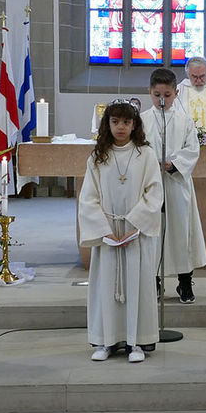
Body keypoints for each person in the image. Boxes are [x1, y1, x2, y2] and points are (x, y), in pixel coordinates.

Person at [78, 99, 164, 363]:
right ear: (108, 124)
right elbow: (88, 197)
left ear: (134, 124)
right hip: (108, 234)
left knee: (138, 286)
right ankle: (106, 341)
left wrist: (134, 225)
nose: (121, 127)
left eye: (126, 122)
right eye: (115, 121)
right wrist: (105, 229)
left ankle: (135, 343)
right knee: (106, 286)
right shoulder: (97, 156)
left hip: (134, 233)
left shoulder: (145, 154)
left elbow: (154, 191)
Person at [141, 67, 206, 303]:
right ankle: (154, 282)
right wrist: (150, 164)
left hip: (176, 183)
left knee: (181, 233)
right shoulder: (142, 120)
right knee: (152, 233)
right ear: (150, 92)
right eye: (157, 94)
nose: (162, 100)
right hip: (150, 185)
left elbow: (192, 149)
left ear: (176, 93)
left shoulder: (184, 120)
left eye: (167, 95)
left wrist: (173, 164)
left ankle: (185, 282)